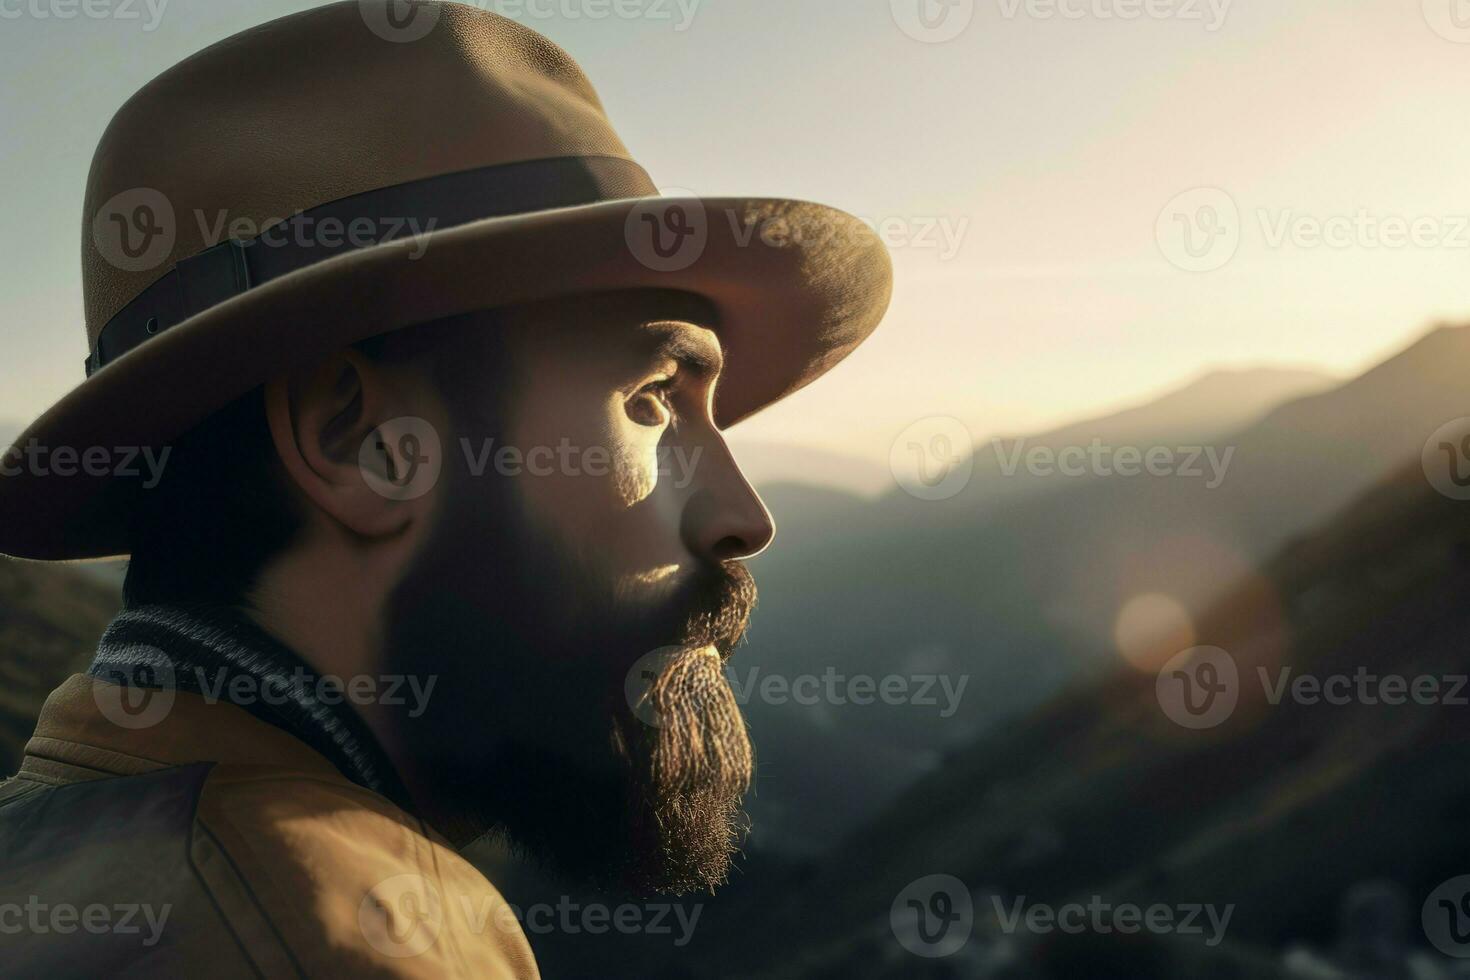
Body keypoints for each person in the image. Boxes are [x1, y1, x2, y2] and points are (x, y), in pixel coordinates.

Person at [0, 2, 892, 976]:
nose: (742, 516)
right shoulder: (341, 943)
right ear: (362, 439)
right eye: (649, 401)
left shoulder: (55, 831)